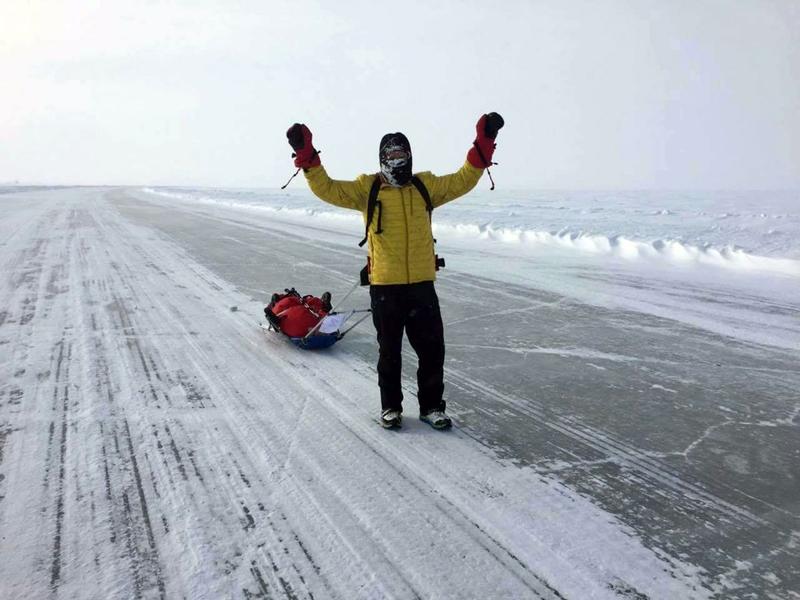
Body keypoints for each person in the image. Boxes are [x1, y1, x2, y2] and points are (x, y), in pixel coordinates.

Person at [285, 113, 504, 429]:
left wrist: (485, 140)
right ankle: (391, 408)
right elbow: (327, 189)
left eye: (401, 154)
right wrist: (306, 154)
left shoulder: (425, 186)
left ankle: (431, 408)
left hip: (421, 285)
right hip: (385, 286)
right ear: (382, 158)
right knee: (389, 352)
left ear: (410, 155)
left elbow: (464, 178)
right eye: (391, 155)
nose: (396, 159)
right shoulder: (367, 189)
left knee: (432, 351)